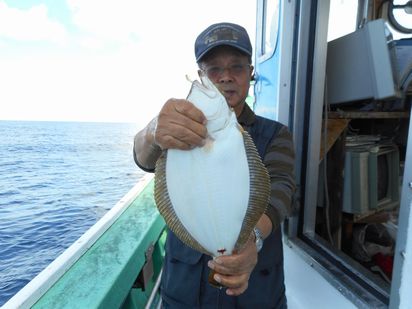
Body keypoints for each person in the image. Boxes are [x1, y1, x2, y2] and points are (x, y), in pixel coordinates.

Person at [133, 22, 295, 308]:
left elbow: (281, 190)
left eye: (237, 67)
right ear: (201, 77)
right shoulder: (175, 127)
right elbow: (143, 159)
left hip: (256, 295)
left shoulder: (276, 134)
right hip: (184, 294)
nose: (226, 77)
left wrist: (252, 237)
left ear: (251, 74)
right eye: (214, 70)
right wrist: (153, 132)